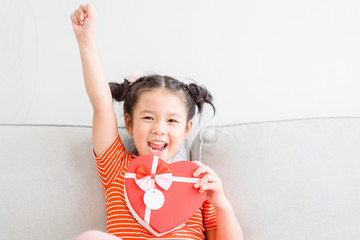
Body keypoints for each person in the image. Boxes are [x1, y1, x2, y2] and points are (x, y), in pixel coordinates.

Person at [71, 4, 244, 240]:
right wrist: (85, 39)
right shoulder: (117, 167)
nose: (159, 129)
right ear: (129, 124)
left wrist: (221, 202)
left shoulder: (197, 181)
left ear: (186, 130)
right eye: (148, 117)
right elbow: (102, 105)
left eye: (172, 120)